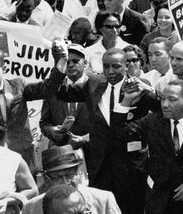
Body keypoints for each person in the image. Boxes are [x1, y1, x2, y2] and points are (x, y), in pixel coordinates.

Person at [56, 48, 155, 214]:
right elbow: (61, 93)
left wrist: (149, 90)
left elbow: (161, 106)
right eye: (106, 66)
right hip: (101, 166)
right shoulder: (94, 83)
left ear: (126, 65)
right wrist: (59, 64)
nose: (110, 71)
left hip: (130, 167)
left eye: (116, 66)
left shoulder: (139, 85)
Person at [117, 80, 183, 213]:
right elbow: (120, 135)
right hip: (158, 203)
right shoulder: (152, 122)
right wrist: (127, 101)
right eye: (163, 99)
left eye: (172, 100)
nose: (165, 105)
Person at [0, 45, 67, 171]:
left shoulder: (18, 85)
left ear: (4, 68)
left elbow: (48, 89)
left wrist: (62, 61)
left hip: (22, 154)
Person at [24, 145, 121, 214]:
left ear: (78, 174)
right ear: (46, 179)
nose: (65, 182)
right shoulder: (32, 207)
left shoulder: (103, 199)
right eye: (57, 177)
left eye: (70, 175)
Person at [40, 44, 91, 170]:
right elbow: (44, 122)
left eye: (75, 61)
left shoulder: (96, 86)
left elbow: (106, 126)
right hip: (62, 156)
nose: (70, 65)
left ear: (85, 63)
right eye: (67, 62)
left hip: (92, 154)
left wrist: (84, 139)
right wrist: (52, 131)